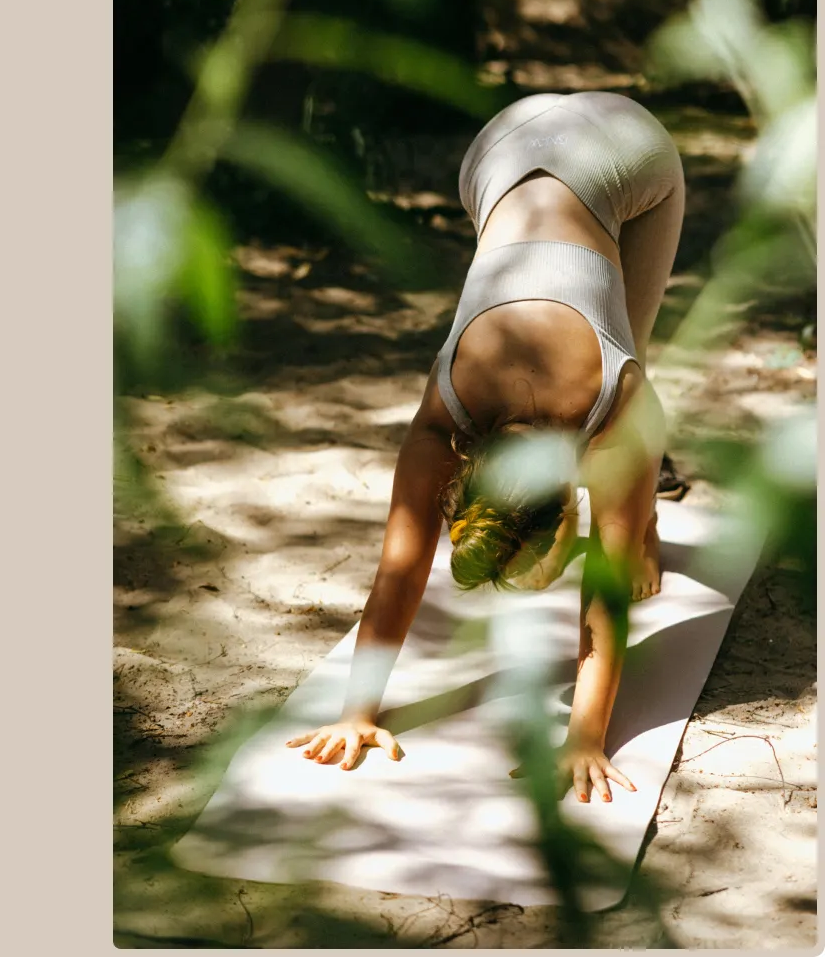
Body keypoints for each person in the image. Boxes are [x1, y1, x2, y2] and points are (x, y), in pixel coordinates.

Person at [285, 91, 685, 804]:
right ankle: (642, 505)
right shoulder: (444, 421)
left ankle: (650, 513)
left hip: (616, 143)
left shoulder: (616, 408)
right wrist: (357, 711)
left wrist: (586, 736)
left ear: (573, 501)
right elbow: (401, 573)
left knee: (635, 344)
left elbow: (605, 598)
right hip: (496, 147)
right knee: (613, 326)